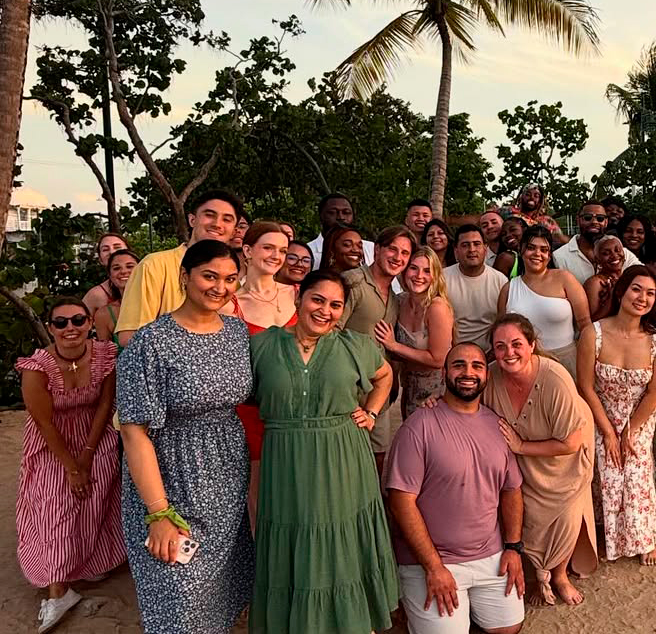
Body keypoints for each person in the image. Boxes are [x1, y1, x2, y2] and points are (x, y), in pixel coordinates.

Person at [117, 240, 254, 634]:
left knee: (218, 595)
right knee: (177, 598)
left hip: (226, 478)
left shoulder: (236, 332)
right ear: (185, 277)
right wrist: (158, 512)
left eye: (230, 279)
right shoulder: (151, 341)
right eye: (209, 276)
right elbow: (133, 431)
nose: (220, 287)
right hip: (170, 478)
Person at [248, 270, 397, 633]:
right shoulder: (263, 344)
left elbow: (385, 376)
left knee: (341, 536)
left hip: (343, 455)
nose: (325, 311)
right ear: (299, 297)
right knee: (293, 534)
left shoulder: (355, 345)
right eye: (318, 300)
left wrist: (373, 411)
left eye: (335, 305)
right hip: (286, 459)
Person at [384, 342, 526, 634]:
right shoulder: (418, 426)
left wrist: (513, 548)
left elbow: (511, 490)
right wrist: (433, 567)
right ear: (445, 372)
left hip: (489, 554)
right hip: (431, 560)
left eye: (476, 366)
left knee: (508, 627)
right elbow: (401, 502)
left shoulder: (497, 426)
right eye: (458, 365)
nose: (468, 372)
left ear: (486, 374)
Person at [17, 299, 125, 633]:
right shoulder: (37, 367)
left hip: (94, 433)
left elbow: (106, 403)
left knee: (94, 500)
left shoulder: (105, 355)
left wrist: (89, 454)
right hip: (52, 441)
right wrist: (72, 466)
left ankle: (86, 562)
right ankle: (58, 588)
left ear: (90, 321)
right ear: (50, 328)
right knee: (54, 503)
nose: (70, 328)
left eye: (78, 320)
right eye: (61, 323)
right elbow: (44, 422)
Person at [486, 316, 597, 606]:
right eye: (500, 347)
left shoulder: (554, 378)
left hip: (565, 459)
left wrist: (521, 446)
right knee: (531, 518)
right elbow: (463, 394)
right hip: (525, 462)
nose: (509, 352)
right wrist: (436, 403)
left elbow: (571, 442)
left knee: (565, 518)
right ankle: (538, 574)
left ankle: (560, 575)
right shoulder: (491, 375)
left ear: (532, 345)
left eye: (516, 344)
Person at [577, 266, 656, 565]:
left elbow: (655, 393)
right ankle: (606, 532)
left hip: (639, 417)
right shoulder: (594, 333)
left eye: (651, 293)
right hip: (600, 412)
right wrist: (607, 431)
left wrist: (629, 431)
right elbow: (585, 386)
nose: (642, 298)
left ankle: (646, 534)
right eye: (636, 289)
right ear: (621, 291)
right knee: (606, 462)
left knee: (633, 463)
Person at [222, 222, 296, 521]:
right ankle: (261, 563)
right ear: (248, 250)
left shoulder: (298, 294)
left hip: (295, 408)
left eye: (283, 250)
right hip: (251, 410)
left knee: (293, 490)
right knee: (257, 496)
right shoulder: (230, 304)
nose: (277, 256)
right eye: (269, 247)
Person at [114, 189, 242, 347]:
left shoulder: (234, 278)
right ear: (192, 220)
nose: (217, 224)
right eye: (209, 215)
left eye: (227, 219)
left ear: (235, 231)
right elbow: (130, 336)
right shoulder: (154, 266)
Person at [341, 225, 415, 463]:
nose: (398, 257)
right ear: (378, 249)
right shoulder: (353, 282)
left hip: (378, 395)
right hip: (347, 392)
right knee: (347, 458)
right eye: (392, 249)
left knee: (379, 457)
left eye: (405, 253)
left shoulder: (395, 296)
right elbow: (329, 332)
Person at [497, 225, 589, 376]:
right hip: (523, 364)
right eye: (531, 248)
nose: (537, 254)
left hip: (566, 363)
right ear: (521, 250)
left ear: (550, 255)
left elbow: (585, 325)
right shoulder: (508, 289)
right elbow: (501, 332)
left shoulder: (565, 279)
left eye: (544, 249)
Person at [374, 246, 454, 417]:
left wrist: (394, 346)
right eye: (414, 268)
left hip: (436, 394)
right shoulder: (400, 301)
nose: (419, 276)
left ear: (435, 276)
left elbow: (439, 359)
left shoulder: (437, 307)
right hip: (408, 387)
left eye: (427, 271)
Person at [444, 224, 507, 353]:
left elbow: (504, 323)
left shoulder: (500, 281)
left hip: (490, 354)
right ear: (456, 251)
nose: (472, 249)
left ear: (485, 248)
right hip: (451, 353)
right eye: (465, 245)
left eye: (476, 244)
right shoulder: (442, 278)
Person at [554, 200, 637, 284]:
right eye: (588, 218)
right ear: (578, 220)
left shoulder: (621, 254)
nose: (594, 222)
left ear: (606, 222)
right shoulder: (559, 257)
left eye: (600, 218)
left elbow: (644, 277)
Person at [308, 193, 373, 270]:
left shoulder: (371, 248)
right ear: (321, 215)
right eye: (333, 212)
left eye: (346, 212)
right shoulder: (308, 251)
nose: (341, 217)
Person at [93, 249, 138, 346]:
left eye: (130, 266)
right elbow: (105, 356)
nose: (124, 271)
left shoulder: (161, 305)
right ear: (110, 275)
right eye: (116, 268)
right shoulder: (104, 315)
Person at [82, 232, 130, 316]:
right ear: (100, 260)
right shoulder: (96, 295)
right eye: (105, 249)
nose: (111, 252)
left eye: (117, 247)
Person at [583, 235, 630, 321]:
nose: (614, 255)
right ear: (598, 260)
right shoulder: (596, 283)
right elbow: (591, 321)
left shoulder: (629, 278)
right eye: (606, 253)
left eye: (617, 250)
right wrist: (611, 298)